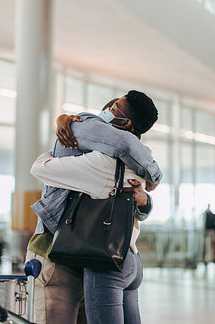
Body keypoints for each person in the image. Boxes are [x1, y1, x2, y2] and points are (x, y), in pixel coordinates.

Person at [26, 90, 161, 324]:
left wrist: (57, 147)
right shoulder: (141, 161)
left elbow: (40, 169)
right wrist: (148, 202)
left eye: (115, 106)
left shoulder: (100, 162)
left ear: (125, 123)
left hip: (58, 254)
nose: (108, 109)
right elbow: (139, 204)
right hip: (105, 257)